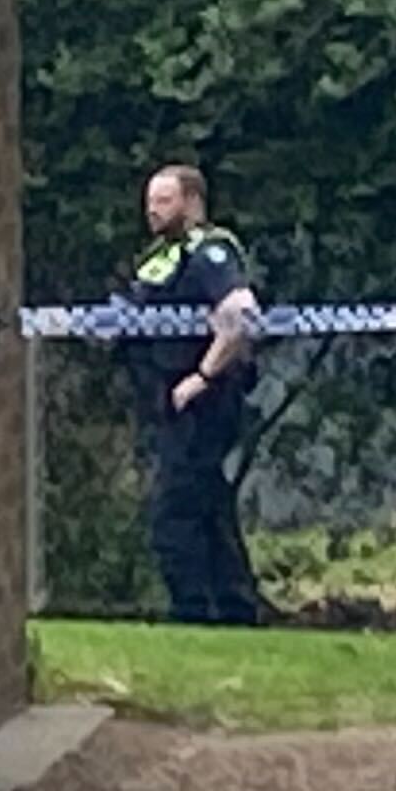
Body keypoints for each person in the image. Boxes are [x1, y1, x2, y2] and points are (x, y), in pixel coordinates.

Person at [119, 163, 267, 626]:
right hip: (170, 402)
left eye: (164, 201)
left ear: (192, 202)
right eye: (150, 201)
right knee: (208, 508)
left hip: (201, 404)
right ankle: (235, 609)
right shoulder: (160, 256)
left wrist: (202, 377)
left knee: (174, 515)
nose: (152, 210)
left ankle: (192, 611)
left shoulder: (211, 252)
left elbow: (241, 314)